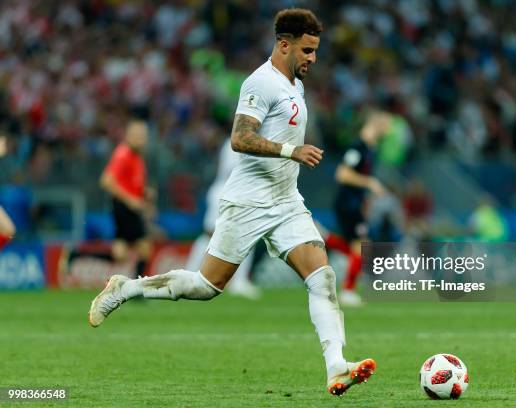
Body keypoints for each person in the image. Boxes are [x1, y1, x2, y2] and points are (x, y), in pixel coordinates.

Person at [89, 9, 376, 397]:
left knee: (322, 277)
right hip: (249, 201)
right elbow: (240, 138)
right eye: (307, 50)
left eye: (316, 51)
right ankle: (127, 288)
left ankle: (336, 365)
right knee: (208, 286)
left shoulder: (296, 85)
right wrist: (292, 150)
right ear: (283, 44)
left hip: (285, 200)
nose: (313, 59)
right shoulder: (261, 83)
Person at [327, 111, 391, 306]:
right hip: (347, 203)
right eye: (386, 126)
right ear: (376, 124)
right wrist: (369, 183)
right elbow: (342, 174)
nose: (388, 131)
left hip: (354, 204)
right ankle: (348, 291)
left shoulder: (370, 149)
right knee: (362, 246)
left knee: (360, 248)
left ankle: (326, 239)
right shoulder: (358, 148)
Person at [185, 138, 261, 300]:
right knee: (210, 234)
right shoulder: (237, 139)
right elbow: (231, 170)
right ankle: (190, 273)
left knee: (246, 235)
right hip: (225, 192)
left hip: (242, 195)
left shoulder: (256, 139)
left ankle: (239, 282)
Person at [99, 120, 153, 278]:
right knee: (144, 248)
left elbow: (132, 183)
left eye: (143, 135)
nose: (141, 139)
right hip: (124, 208)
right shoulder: (123, 154)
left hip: (129, 208)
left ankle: (76, 255)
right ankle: (137, 289)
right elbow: (106, 181)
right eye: (137, 135)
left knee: (120, 253)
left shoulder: (137, 157)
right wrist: (131, 200)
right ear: (128, 136)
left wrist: (144, 193)